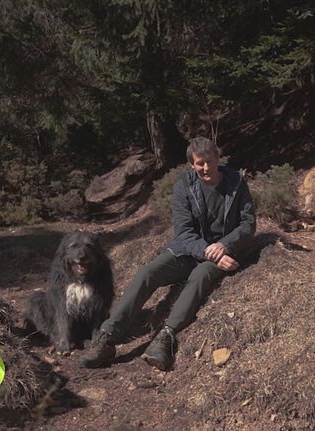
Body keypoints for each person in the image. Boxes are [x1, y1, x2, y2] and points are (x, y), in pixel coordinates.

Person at [80, 137, 256, 370]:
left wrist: (224, 245)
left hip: (221, 251)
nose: (206, 168)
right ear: (192, 165)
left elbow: (247, 223)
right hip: (190, 250)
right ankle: (108, 338)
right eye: (200, 163)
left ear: (218, 158)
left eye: (210, 161)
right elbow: (184, 232)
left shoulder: (236, 182)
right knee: (147, 273)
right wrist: (208, 251)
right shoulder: (185, 186)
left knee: (200, 276)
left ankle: (166, 336)